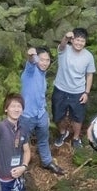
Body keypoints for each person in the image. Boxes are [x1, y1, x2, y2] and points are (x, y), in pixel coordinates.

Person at [20, 46, 64, 175]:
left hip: (41, 114)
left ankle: (47, 161)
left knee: (44, 139)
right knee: (22, 142)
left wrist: (44, 112)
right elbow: (30, 61)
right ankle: (21, 166)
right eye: (41, 59)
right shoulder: (30, 71)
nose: (44, 63)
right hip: (27, 115)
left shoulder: (42, 74)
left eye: (47, 60)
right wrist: (31, 55)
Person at [53, 28, 96, 149]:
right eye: (77, 40)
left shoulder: (88, 56)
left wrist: (86, 92)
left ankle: (76, 138)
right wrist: (66, 37)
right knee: (58, 114)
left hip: (78, 91)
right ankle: (63, 132)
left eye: (82, 41)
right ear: (72, 40)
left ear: (85, 42)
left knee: (78, 117)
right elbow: (62, 45)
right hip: (60, 88)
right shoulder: (64, 50)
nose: (79, 43)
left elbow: (89, 75)